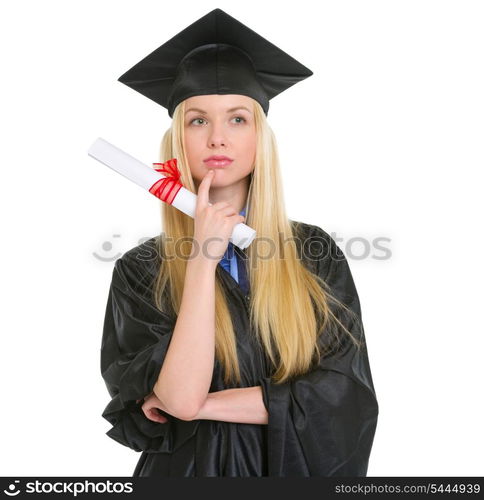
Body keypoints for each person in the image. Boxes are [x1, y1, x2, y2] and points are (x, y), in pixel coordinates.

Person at [100, 8, 379, 477]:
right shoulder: (140, 269)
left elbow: (341, 400)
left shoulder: (314, 254)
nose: (216, 138)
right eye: (196, 121)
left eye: (237, 119)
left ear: (260, 136)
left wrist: (199, 404)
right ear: (177, 139)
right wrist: (204, 258)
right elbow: (179, 394)